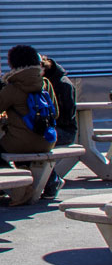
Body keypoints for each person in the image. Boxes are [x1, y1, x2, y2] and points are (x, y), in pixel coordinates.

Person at [0, 44, 56, 168]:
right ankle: (48, 180)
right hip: (48, 140)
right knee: (23, 158)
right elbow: (56, 113)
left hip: (19, 142)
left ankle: (12, 183)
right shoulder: (45, 83)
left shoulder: (12, 87)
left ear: (13, 64)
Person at [41, 55, 78, 198]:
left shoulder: (63, 85)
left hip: (65, 131)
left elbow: (67, 117)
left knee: (38, 141)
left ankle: (52, 181)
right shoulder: (41, 83)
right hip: (53, 129)